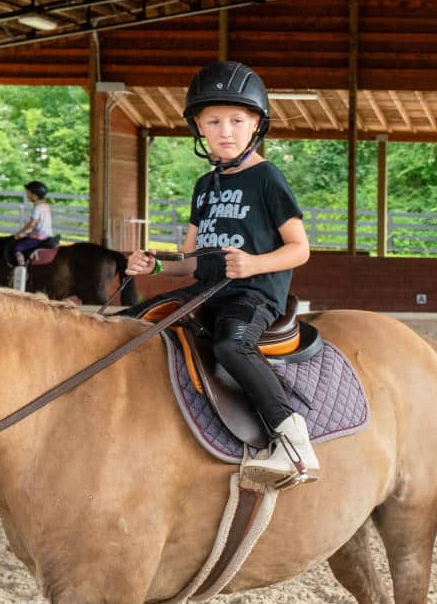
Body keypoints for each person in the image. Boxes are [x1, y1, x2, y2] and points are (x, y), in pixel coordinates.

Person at [126, 61, 319, 487]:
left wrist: (253, 264)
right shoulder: (204, 186)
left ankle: (292, 440)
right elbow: (192, 260)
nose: (225, 131)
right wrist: (155, 263)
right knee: (130, 325)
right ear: (199, 127)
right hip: (206, 292)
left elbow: (300, 249)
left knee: (232, 346)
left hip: (252, 296)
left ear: (255, 125)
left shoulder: (268, 178)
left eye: (236, 120)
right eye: (213, 121)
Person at [7, 180, 56, 265]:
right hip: (47, 235)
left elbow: (31, 224)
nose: (27, 195)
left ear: (35, 196)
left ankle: (21, 267)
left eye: (28, 193)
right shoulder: (46, 206)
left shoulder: (37, 208)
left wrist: (19, 233)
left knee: (17, 248)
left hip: (38, 237)